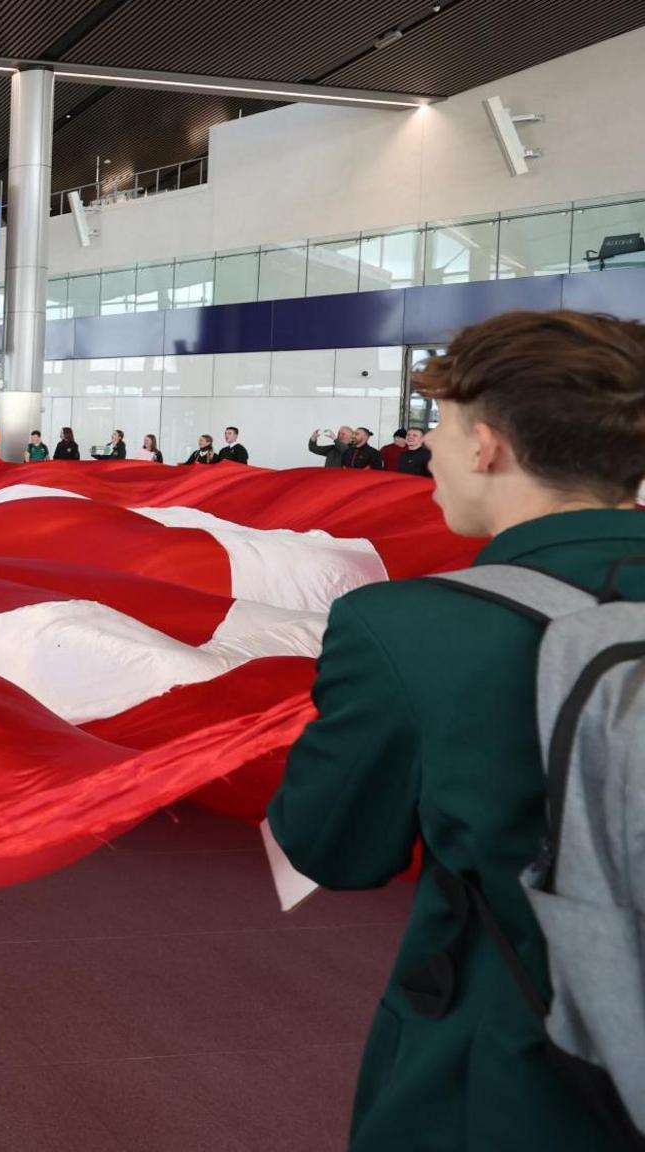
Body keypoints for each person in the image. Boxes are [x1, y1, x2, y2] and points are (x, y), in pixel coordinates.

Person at [266, 309, 645, 1152]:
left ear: (488, 447)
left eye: (441, 425)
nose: (431, 449)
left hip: (506, 1078)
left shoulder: (408, 628)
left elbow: (335, 848)